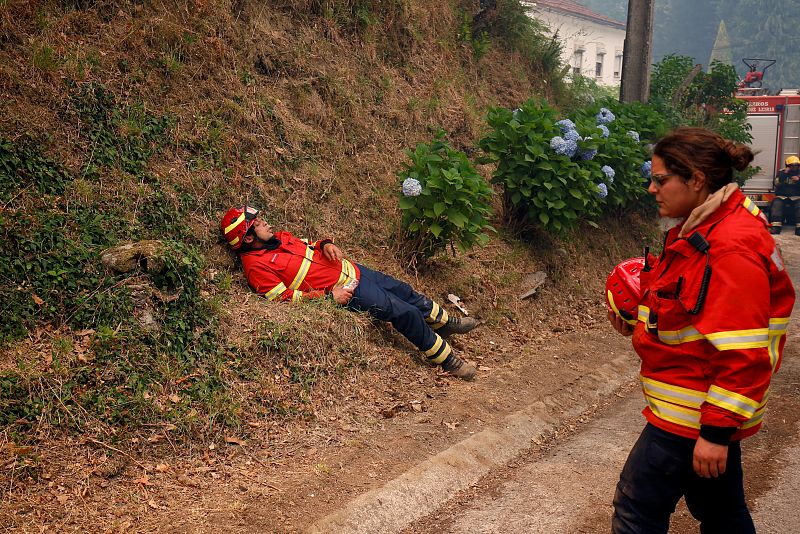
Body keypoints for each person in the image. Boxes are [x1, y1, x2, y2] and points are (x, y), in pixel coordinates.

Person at [607, 128, 795, 533]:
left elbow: (743, 352)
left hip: (691, 414)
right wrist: (639, 314)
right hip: (699, 408)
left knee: (636, 511)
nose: (651, 188)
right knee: (722, 515)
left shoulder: (730, 247)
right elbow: (692, 309)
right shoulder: (706, 227)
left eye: (660, 179)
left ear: (695, 179)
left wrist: (714, 433)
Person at [220, 205, 480, 380]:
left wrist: (326, 244)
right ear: (248, 238)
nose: (265, 222)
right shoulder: (256, 267)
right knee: (404, 312)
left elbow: (309, 245)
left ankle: (447, 323)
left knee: (404, 291)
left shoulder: (279, 237)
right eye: (257, 223)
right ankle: (449, 361)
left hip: (353, 270)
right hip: (349, 292)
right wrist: (327, 298)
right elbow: (281, 298)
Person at [769, 155, 800, 235]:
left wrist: (798, 180)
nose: (795, 167)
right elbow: (776, 184)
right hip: (782, 196)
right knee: (777, 204)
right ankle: (776, 228)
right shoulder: (781, 173)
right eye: (792, 166)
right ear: (787, 166)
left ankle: (799, 229)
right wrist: (784, 174)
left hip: (796, 197)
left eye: (796, 165)